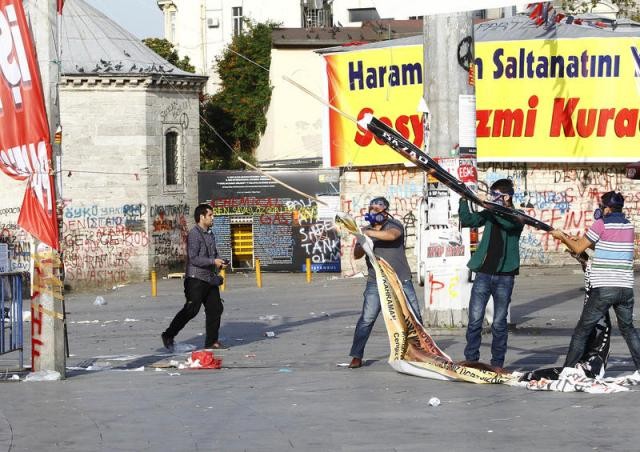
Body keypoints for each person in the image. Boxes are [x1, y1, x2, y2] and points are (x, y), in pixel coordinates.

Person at [551, 191, 640, 373]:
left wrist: (562, 237)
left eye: (602, 206)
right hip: (625, 289)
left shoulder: (601, 224)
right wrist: (582, 240)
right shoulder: (629, 227)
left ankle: (567, 371)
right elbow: (606, 243)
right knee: (628, 330)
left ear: (606, 208)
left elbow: (577, 249)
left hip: (605, 288)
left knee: (582, 330)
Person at [348, 196, 423, 369]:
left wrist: (368, 233)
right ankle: (356, 355)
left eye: (378, 210)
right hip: (376, 281)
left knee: (413, 317)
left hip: (400, 279)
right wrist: (360, 238)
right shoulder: (366, 230)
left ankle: (419, 353)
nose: (374, 213)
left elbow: (391, 236)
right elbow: (357, 254)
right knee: (367, 319)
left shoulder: (394, 224)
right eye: (372, 209)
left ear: (385, 211)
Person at [458, 178, 524, 369]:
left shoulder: (517, 216)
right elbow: (469, 220)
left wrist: (491, 208)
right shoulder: (489, 212)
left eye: (496, 195)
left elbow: (509, 225)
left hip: (505, 275)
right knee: (475, 319)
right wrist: (464, 200)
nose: (492, 198)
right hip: (484, 273)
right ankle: (471, 359)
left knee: (499, 322)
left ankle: (497, 363)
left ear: (507, 197)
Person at [161, 203, 228, 351]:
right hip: (195, 279)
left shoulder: (210, 234)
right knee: (191, 309)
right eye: (210, 215)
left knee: (216, 308)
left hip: (209, 278)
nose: (213, 218)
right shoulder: (194, 234)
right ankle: (168, 335)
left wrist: (219, 262)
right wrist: (212, 261)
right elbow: (194, 258)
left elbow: (214, 254)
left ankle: (211, 341)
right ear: (201, 217)